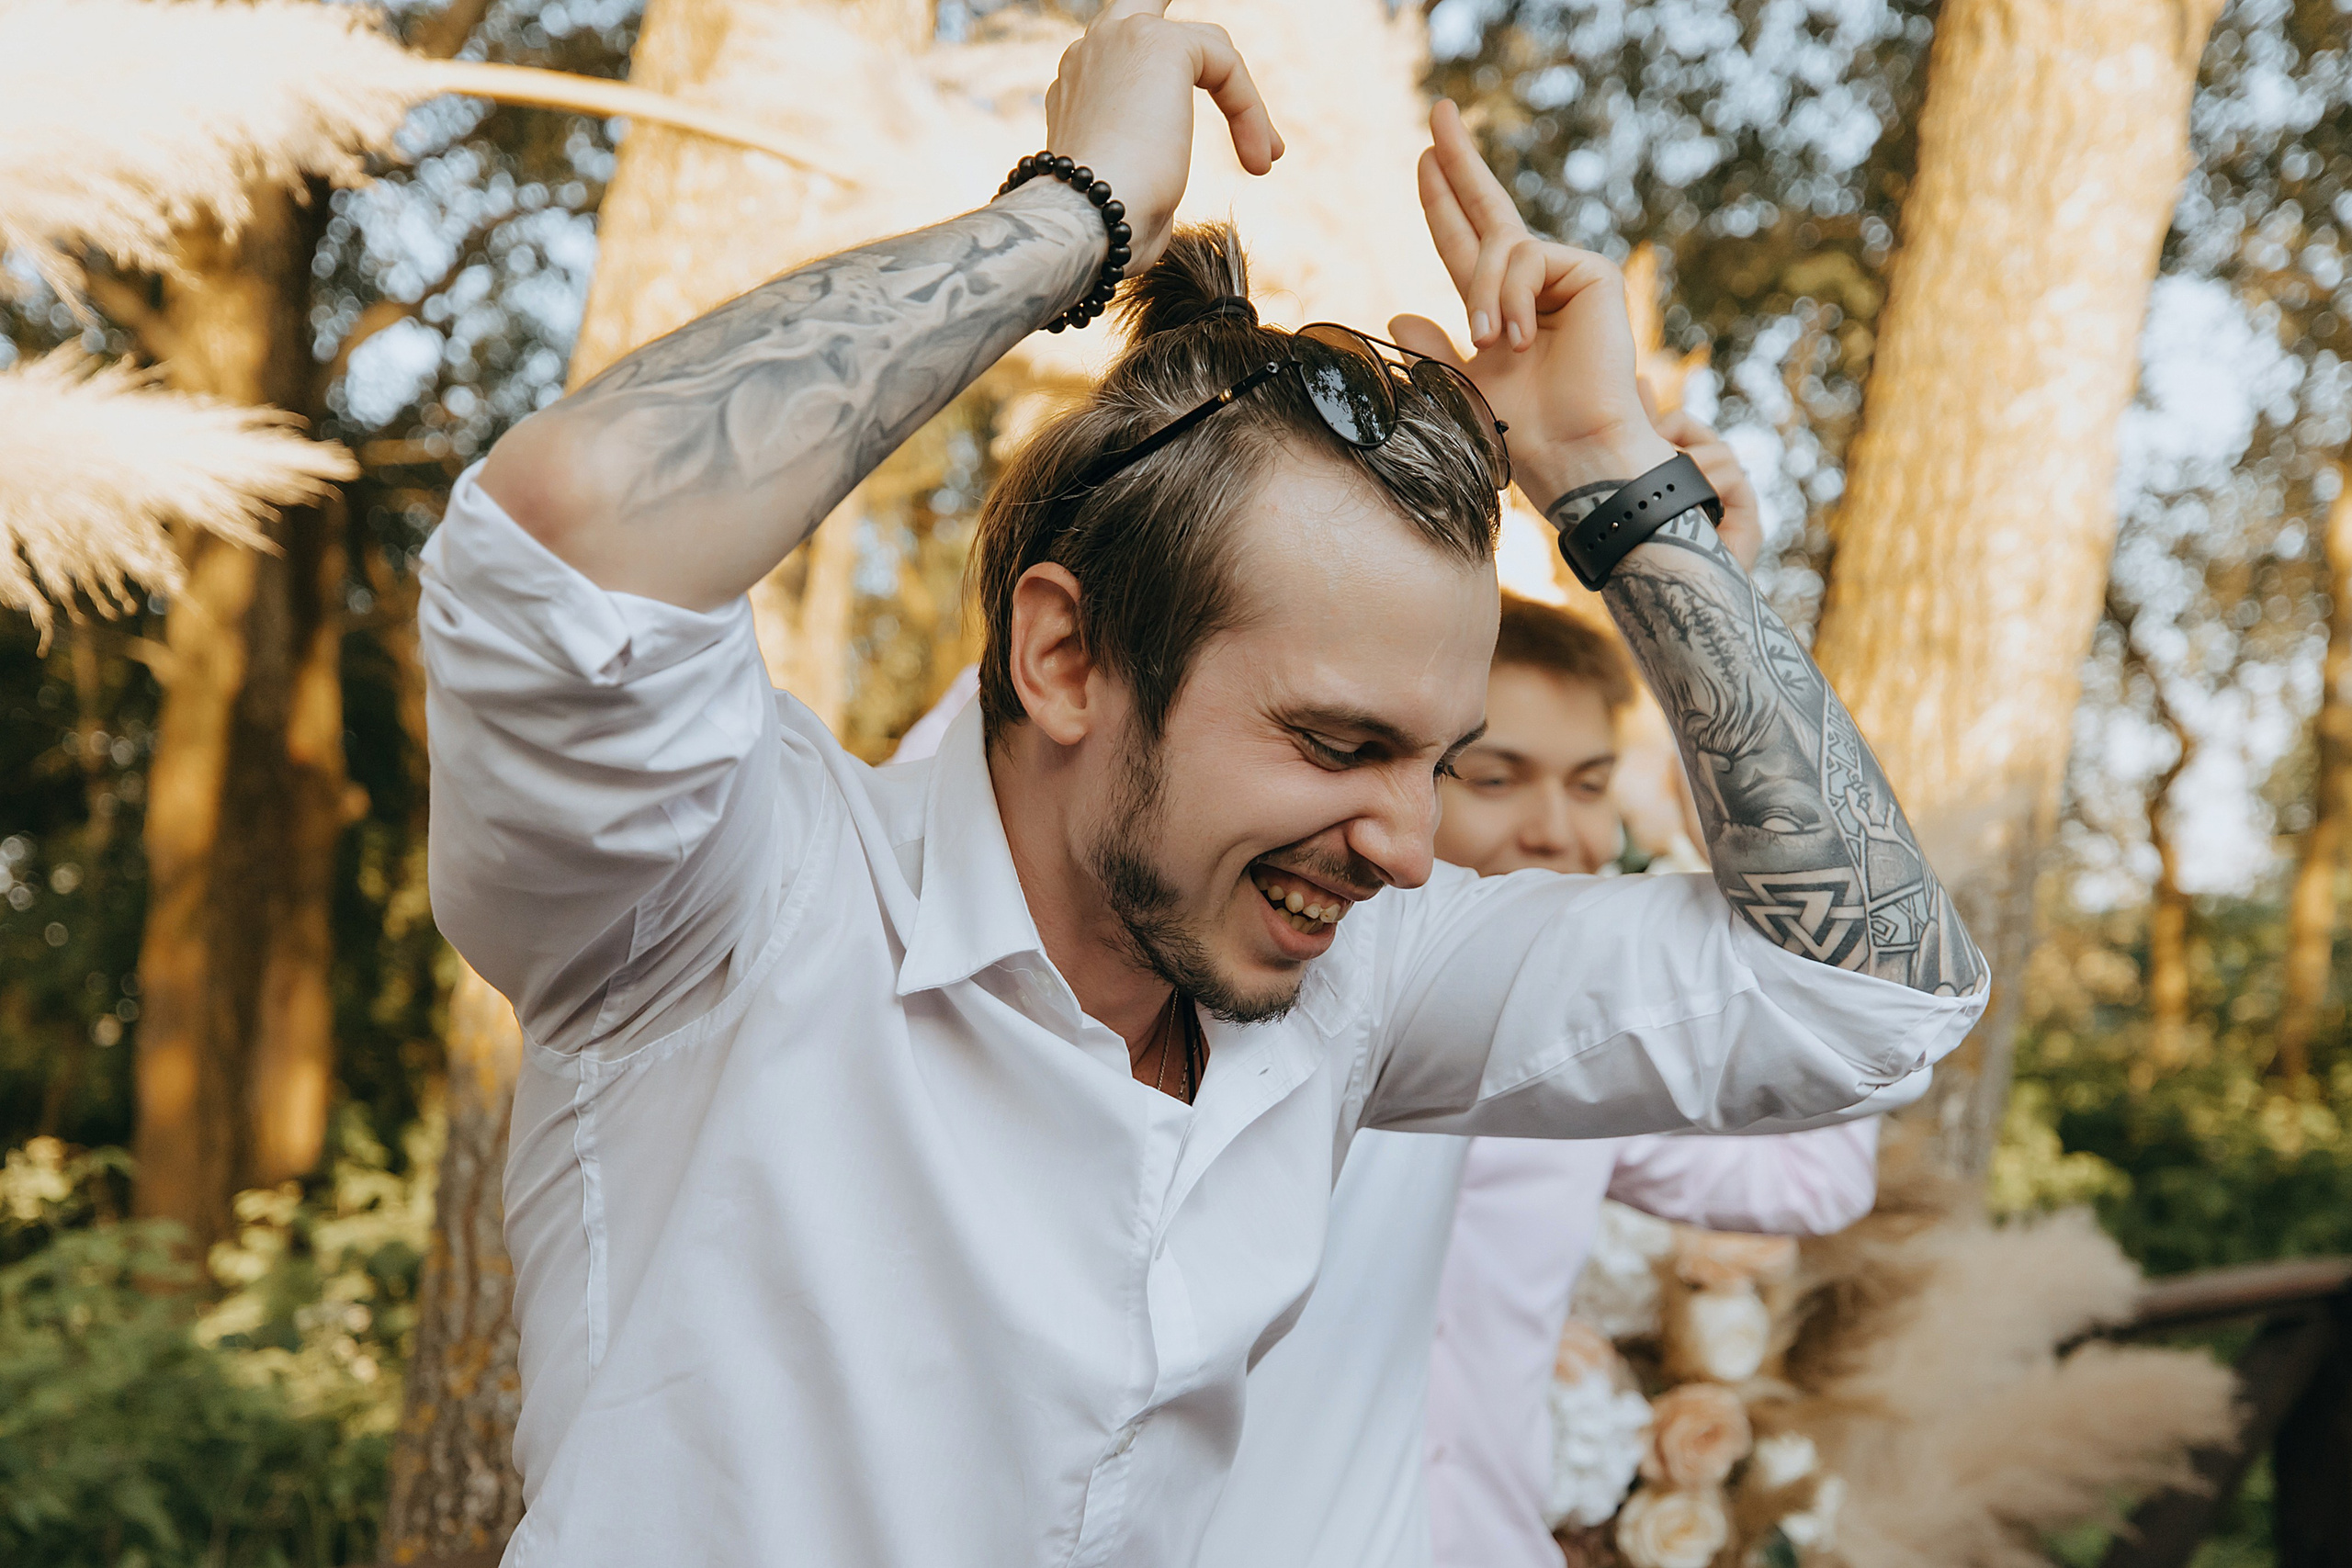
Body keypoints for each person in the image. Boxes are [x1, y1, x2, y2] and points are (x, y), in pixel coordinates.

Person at [420, 6, 1984, 1563]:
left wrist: (1614, 491)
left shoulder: (1358, 987)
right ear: (1067, 658)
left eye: (1437, 762)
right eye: (1337, 742)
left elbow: (1868, 997)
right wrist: (1074, 215)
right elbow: (574, 532)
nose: (1413, 846)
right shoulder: (722, 898)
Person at [1190, 592, 1877, 1568]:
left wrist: (1712, 745)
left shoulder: (1588, 1060)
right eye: (1497, 777)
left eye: (1592, 786)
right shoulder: (1223, 1013)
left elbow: (1815, 1172)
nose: (1558, 831)